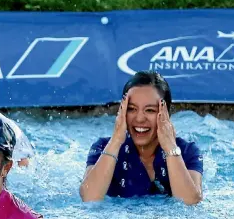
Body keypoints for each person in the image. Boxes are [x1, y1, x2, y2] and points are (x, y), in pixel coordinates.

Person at [79, 71, 203, 205]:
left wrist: (170, 147)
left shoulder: (186, 152)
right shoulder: (104, 147)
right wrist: (115, 141)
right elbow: (89, 198)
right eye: (131, 109)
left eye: (150, 110)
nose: (139, 119)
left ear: (166, 113)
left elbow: (190, 202)